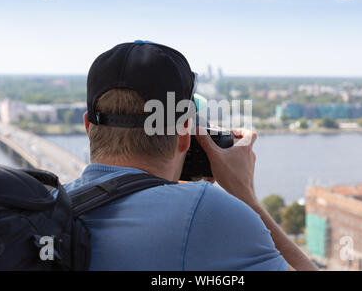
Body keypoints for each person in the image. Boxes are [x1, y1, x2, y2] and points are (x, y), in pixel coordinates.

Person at [61, 40, 317, 271]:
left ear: (87, 126)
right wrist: (246, 197)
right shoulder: (206, 212)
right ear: (185, 136)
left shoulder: (49, 204)